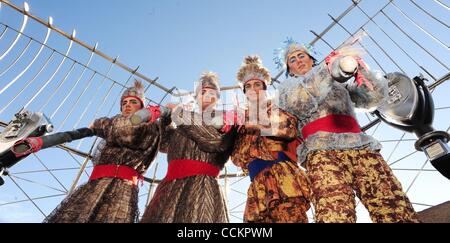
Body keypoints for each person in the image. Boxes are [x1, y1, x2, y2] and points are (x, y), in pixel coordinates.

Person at [274, 35, 420, 223]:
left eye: (301, 55)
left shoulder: (337, 82)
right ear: (290, 70)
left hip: (360, 147)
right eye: (292, 60)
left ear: (312, 59)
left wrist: (361, 73)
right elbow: (300, 104)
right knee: (334, 209)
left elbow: (371, 99)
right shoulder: (287, 89)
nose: (298, 61)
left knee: (390, 202)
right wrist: (328, 70)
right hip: (321, 153)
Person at [34, 80, 161, 223]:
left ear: (142, 107)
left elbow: (124, 129)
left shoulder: (149, 126)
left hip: (121, 189)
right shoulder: (112, 124)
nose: (127, 105)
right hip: (93, 185)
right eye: (124, 103)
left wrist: (99, 123)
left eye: (133, 102)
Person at [140, 72, 235, 223]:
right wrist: (165, 120)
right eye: (202, 92)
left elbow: (213, 141)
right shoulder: (184, 122)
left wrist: (178, 112)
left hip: (202, 188)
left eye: (211, 92)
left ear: (217, 98)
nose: (206, 96)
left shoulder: (224, 118)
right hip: (170, 187)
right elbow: (165, 145)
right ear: (196, 97)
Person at [231, 56, 310, 223]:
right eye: (248, 86)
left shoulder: (277, 106)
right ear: (244, 92)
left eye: (257, 84)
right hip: (257, 186)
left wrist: (259, 123)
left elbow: (289, 129)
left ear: (265, 88)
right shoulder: (239, 121)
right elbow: (237, 158)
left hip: (283, 179)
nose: (253, 89)